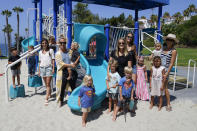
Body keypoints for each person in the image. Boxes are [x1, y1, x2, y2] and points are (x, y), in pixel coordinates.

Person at [55, 37, 77, 107]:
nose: (62, 44)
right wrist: (70, 65)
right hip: (63, 71)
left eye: (64, 43)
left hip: (71, 71)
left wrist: (75, 63)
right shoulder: (57, 53)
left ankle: (75, 99)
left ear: (66, 43)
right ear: (59, 44)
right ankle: (61, 100)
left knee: (73, 86)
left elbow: (74, 56)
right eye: (61, 43)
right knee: (62, 87)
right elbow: (61, 63)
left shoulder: (69, 51)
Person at [161, 34, 178, 111]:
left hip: (166, 70)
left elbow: (171, 63)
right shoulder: (163, 48)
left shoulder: (173, 51)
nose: (169, 41)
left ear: (173, 42)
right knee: (158, 85)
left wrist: (167, 73)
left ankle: (168, 104)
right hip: (159, 69)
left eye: (171, 40)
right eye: (168, 39)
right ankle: (160, 102)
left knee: (165, 87)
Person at [38, 38, 55, 106]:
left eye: (45, 43)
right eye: (43, 43)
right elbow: (40, 61)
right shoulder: (40, 52)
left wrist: (53, 68)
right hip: (42, 68)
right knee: (46, 84)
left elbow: (53, 60)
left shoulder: (51, 50)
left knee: (48, 83)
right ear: (41, 44)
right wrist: (39, 70)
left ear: (47, 43)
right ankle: (49, 93)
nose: (44, 44)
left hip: (49, 68)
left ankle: (46, 99)